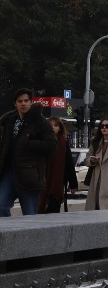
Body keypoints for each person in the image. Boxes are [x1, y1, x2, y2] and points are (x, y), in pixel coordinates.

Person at [0, 88, 57, 217]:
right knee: (1, 206)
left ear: (31, 102)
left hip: (30, 174)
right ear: (15, 103)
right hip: (9, 171)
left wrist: (30, 144)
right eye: (20, 101)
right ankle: (10, 234)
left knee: (30, 215)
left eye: (26, 100)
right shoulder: (9, 120)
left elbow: (52, 145)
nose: (23, 103)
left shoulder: (40, 121)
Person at [38, 117, 78, 213]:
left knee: (53, 211)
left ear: (60, 128)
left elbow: (69, 164)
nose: (53, 128)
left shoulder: (63, 143)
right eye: (50, 125)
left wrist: (73, 184)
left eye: (55, 125)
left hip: (57, 185)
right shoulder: (40, 141)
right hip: (41, 183)